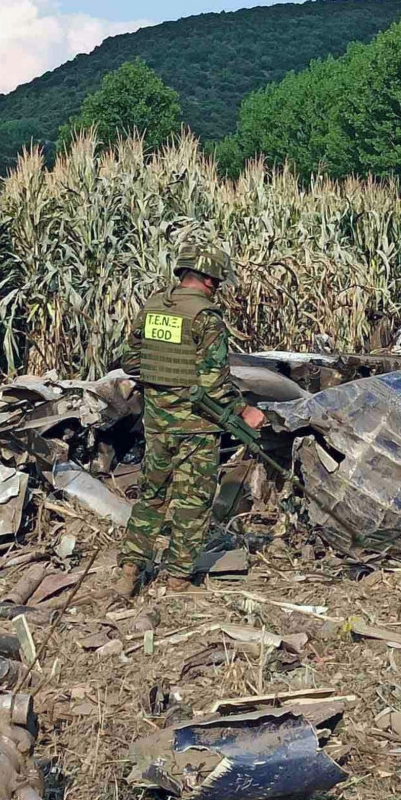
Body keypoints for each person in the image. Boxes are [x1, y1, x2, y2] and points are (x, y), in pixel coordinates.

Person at [114, 245, 265, 596]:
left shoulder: (153, 307)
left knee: (152, 494)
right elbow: (215, 385)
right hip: (196, 425)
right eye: (218, 281)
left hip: (157, 422)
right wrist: (245, 411)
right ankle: (178, 578)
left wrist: (164, 385)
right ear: (210, 279)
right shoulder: (205, 318)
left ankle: (130, 570)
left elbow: (131, 362)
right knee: (192, 501)